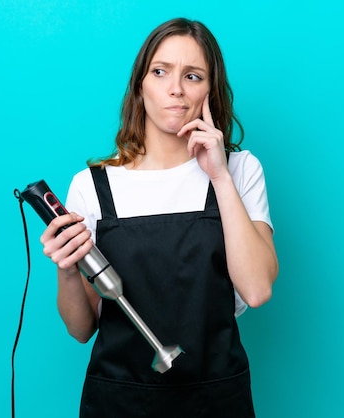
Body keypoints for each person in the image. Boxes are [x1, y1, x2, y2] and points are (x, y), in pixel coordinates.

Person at [40, 17, 278, 418]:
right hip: (119, 402)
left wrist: (218, 174)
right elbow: (82, 330)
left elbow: (255, 290)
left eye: (193, 75)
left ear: (210, 91)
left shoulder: (240, 170)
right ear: (140, 85)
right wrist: (66, 270)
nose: (176, 89)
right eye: (160, 71)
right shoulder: (92, 185)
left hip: (215, 401)